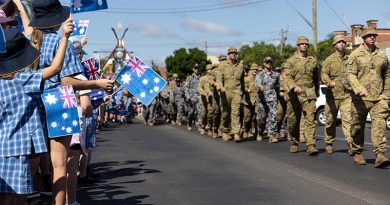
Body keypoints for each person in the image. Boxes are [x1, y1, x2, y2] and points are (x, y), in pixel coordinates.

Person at [28, 1, 114, 204]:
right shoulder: (60, 43)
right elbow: (66, 80)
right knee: (59, 165)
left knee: (32, 163)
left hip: (32, 103)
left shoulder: (28, 41)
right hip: (59, 102)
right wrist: (97, 83)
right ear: (56, 19)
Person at [0, 26, 71, 205]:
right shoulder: (21, 80)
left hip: (3, 146)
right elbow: (55, 68)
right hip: (18, 148)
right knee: (16, 197)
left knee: (6, 195)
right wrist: (64, 38)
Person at [346, 27, 390, 168]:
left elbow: (388, 75)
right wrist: (358, 88)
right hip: (360, 99)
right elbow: (350, 74)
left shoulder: (382, 55)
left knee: (379, 126)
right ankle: (357, 152)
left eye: (374, 35)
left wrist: (386, 95)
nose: (373, 37)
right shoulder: (355, 55)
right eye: (370, 35)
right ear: (363, 38)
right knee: (357, 127)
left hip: (378, 98)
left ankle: (379, 155)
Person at [284, 36, 319, 155]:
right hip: (294, 94)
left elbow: (316, 78)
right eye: (302, 44)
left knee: (310, 119)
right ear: (298, 46)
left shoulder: (313, 61)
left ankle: (310, 145)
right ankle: (294, 141)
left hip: (309, 93)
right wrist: (294, 86)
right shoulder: (291, 61)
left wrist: (317, 92)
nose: (304, 45)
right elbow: (287, 77)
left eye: (306, 44)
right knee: (293, 121)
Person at [321, 35, 353, 155]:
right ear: (335, 45)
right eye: (339, 42)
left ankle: (350, 144)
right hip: (332, 96)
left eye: (343, 42)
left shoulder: (349, 59)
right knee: (330, 120)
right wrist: (329, 82)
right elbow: (324, 74)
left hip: (346, 95)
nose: (342, 44)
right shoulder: (329, 60)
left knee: (348, 120)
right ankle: (329, 142)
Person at [216, 47, 244, 142]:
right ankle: (224, 130)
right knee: (225, 113)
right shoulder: (223, 65)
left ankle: (236, 133)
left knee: (236, 113)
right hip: (225, 92)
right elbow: (219, 79)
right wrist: (220, 87)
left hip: (236, 92)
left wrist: (242, 92)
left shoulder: (240, 65)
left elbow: (242, 80)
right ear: (228, 55)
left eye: (235, 53)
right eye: (231, 53)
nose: (233, 54)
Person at [255, 57, 280, 143]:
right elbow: (257, 82)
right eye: (267, 62)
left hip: (272, 98)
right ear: (264, 63)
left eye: (270, 62)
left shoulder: (276, 74)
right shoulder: (260, 74)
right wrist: (260, 86)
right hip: (263, 99)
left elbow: (277, 86)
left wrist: (279, 94)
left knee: (273, 116)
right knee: (262, 118)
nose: (269, 63)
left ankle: (271, 135)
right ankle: (260, 132)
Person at [242, 63, 259, 139]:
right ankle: (246, 130)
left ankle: (257, 133)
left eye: (256, 69)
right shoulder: (247, 79)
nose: (255, 70)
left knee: (257, 117)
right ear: (251, 70)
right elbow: (243, 87)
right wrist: (247, 90)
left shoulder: (259, 79)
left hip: (257, 101)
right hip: (248, 101)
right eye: (253, 69)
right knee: (247, 118)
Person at [185, 65, 201, 131]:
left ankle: (200, 126)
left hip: (199, 97)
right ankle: (189, 123)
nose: (197, 69)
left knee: (199, 112)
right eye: (195, 68)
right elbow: (186, 88)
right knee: (191, 112)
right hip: (191, 98)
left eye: (197, 68)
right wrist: (187, 95)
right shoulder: (189, 78)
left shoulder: (200, 78)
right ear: (193, 69)